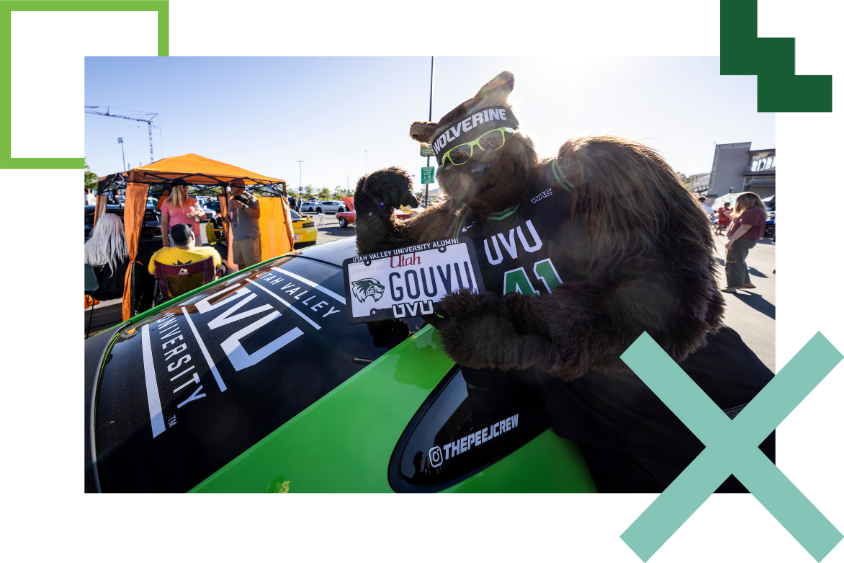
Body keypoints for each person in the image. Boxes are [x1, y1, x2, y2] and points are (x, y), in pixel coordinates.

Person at [148, 224, 224, 299]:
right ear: (192, 236)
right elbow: (219, 264)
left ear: (173, 240)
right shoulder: (209, 252)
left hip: (172, 300)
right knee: (223, 264)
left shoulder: (160, 254)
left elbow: (151, 272)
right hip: (203, 297)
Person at [722, 192, 767, 293]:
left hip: (741, 239)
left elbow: (745, 227)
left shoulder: (752, 211)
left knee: (733, 262)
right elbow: (743, 224)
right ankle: (746, 283)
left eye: (740, 201)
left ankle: (732, 286)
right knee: (739, 260)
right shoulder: (756, 210)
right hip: (744, 239)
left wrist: (732, 240)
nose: (738, 204)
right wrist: (730, 217)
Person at [225, 179, 262, 270]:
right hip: (236, 238)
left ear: (240, 185)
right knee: (240, 264)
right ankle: (244, 282)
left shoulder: (250, 198)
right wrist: (227, 218)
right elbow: (231, 215)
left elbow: (257, 214)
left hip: (249, 237)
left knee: (253, 266)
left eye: (232, 185)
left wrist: (243, 206)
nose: (230, 187)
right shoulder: (231, 200)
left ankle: (255, 283)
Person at [160, 180, 206, 247]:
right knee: (179, 257)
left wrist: (196, 213)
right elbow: (164, 222)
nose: (187, 188)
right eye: (184, 186)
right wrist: (164, 239)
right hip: (177, 238)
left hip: (194, 236)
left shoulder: (192, 200)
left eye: (187, 186)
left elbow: (204, 216)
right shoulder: (167, 202)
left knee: (196, 257)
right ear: (177, 188)